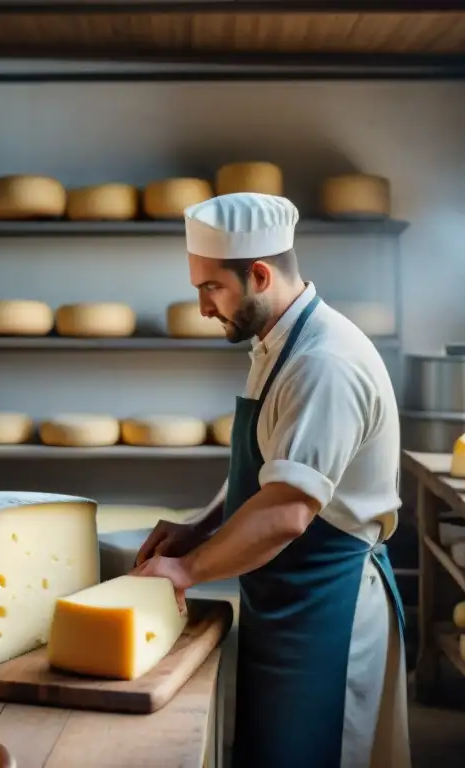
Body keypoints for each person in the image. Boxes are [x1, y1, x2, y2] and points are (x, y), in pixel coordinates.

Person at [132, 192, 411, 768]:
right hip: (285, 602)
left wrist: (186, 570)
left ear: (258, 275)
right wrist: (200, 528)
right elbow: (269, 472)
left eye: (212, 288)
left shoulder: (322, 363)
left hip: (327, 610)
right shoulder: (277, 343)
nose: (204, 308)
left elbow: (287, 511)